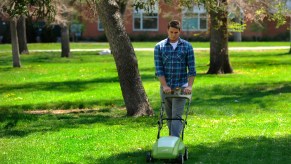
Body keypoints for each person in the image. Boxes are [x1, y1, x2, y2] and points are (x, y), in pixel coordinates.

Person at [154, 20, 196, 137]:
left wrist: (189, 86)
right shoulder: (159, 47)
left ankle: (174, 141)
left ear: (179, 32)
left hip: (181, 87)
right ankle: (171, 142)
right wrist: (164, 85)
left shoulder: (187, 47)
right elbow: (159, 69)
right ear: (167, 30)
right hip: (166, 87)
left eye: (176, 32)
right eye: (171, 32)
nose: (173, 34)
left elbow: (191, 69)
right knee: (169, 117)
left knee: (176, 116)